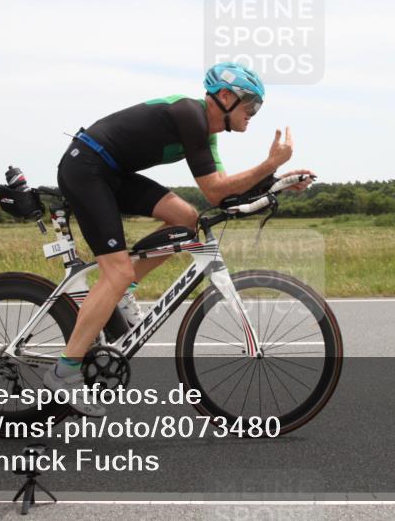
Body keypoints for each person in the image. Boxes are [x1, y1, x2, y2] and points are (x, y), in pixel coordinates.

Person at [43, 62, 314, 415]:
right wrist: (268, 165)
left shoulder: (206, 133)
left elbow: (224, 195)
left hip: (110, 173)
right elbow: (215, 190)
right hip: (87, 168)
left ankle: (120, 293)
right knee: (116, 272)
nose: (253, 113)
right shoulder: (190, 115)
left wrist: (277, 182)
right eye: (251, 104)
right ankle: (64, 372)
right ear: (226, 97)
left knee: (187, 219)